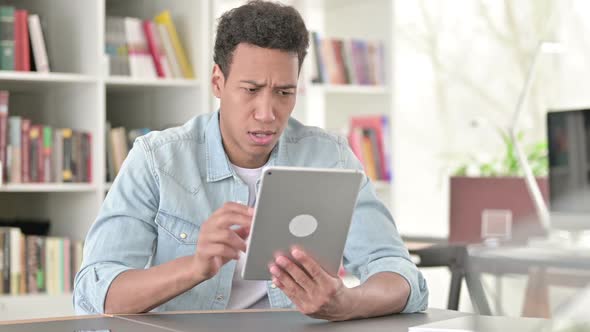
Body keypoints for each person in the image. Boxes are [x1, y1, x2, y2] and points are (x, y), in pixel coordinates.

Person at [73, 0, 428, 321]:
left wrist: (347, 302)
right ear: (218, 81)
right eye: (251, 90)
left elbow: (401, 274)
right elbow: (95, 292)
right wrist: (195, 266)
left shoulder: (329, 156)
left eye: (284, 93)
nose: (267, 113)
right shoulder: (157, 159)